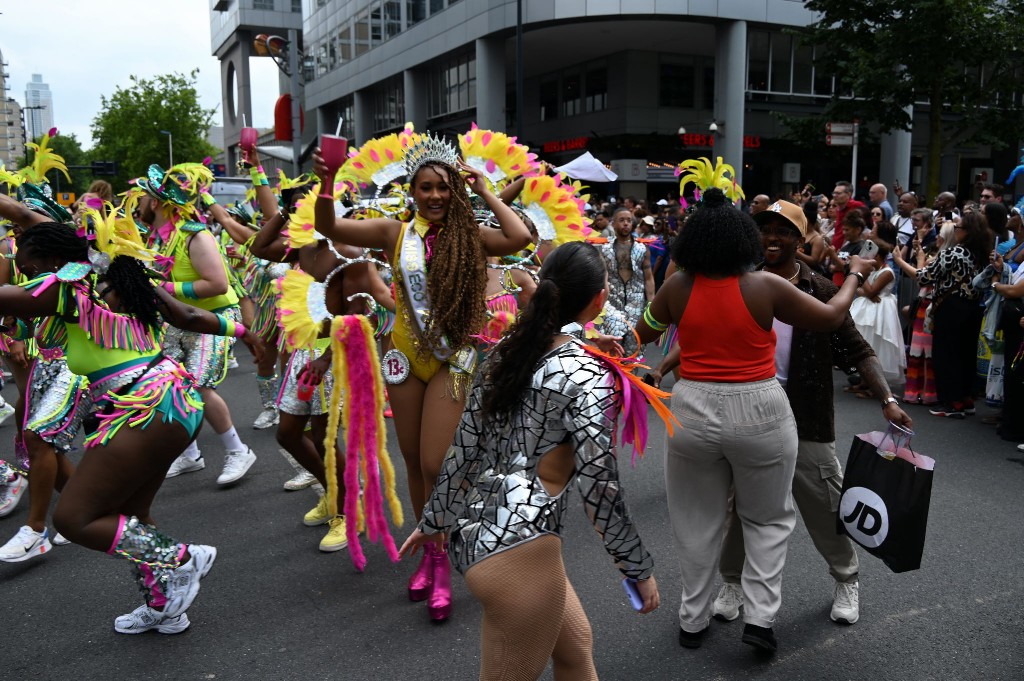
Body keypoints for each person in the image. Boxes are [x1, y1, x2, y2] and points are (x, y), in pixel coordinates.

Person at [401, 242, 659, 680]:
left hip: (490, 540)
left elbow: (465, 446)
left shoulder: (505, 350)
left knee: (576, 653)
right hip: (519, 558)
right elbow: (600, 488)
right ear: (599, 300)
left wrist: (436, 518)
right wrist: (636, 568)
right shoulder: (586, 374)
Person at [0, 209, 262, 633]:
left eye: (27, 258)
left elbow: (8, 295)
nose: (21, 266)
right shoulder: (124, 279)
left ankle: (181, 558)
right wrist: (245, 334)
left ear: (50, 259)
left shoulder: (65, 288)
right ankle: (166, 606)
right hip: (175, 400)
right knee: (131, 514)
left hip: (143, 409)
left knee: (72, 519)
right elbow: (189, 317)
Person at [635, 188, 873, 654]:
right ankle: (761, 621)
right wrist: (853, 279)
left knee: (697, 520)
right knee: (766, 519)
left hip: (692, 410)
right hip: (760, 408)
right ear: (745, 239)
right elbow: (828, 318)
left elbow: (641, 332)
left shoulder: (678, 285)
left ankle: (692, 619)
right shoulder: (763, 285)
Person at [313, 133, 532, 622]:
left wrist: (485, 191)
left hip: (454, 360)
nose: (434, 196)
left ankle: (449, 542)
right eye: (425, 187)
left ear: (455, 189)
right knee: (412, 459)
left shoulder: (472, 235)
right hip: (407, 359)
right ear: (411, 190)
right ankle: (432, 555)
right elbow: (327, 224)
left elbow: (519, 238)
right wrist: (328, 177)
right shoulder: (394, 234)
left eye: (444, 187)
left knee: (437, 461)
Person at [134, 164, 258, 484]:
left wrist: (168, 291)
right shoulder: (156, 239)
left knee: (199, 385)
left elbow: (217, 284)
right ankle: (190, 455)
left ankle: (238, 450)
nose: (137, 202)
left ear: (157, 202)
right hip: (180, 320)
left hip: (215, 319)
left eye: (142, 197)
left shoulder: (195, 235)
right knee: (170, 384)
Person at [893, 212, 992, 417]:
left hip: (950, 307)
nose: (956, 231)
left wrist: (903, 261)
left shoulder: (953, 253)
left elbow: (924, 277)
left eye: (959, 228)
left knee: (947, 354)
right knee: (965, 354)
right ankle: (966, 399)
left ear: (968, 232)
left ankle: (951, 402)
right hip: (973, 308)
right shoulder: (983, 254)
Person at [848, 239, 906, 388]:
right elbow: (860, 290)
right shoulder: (874, 271)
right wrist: (866, 291)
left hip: (881, 311)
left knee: (877, 344)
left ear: (878, 257)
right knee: (866, 340)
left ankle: (875, 385)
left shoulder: (887, 272)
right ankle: (864, 381)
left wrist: (861, 274)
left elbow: (870, 290)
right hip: (869, 308)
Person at [600, 206, 655, 355]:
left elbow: (648, 278)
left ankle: (629, 379)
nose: (626, 223)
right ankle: (614, 378)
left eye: (629, 220)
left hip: (636, 303)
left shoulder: (642, 248)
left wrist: (651, 304)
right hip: (612, 303)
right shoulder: (605, 249)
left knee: (634, 349)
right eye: (622, 220)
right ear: (614, 224)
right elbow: (602, 277)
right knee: (613, 348)